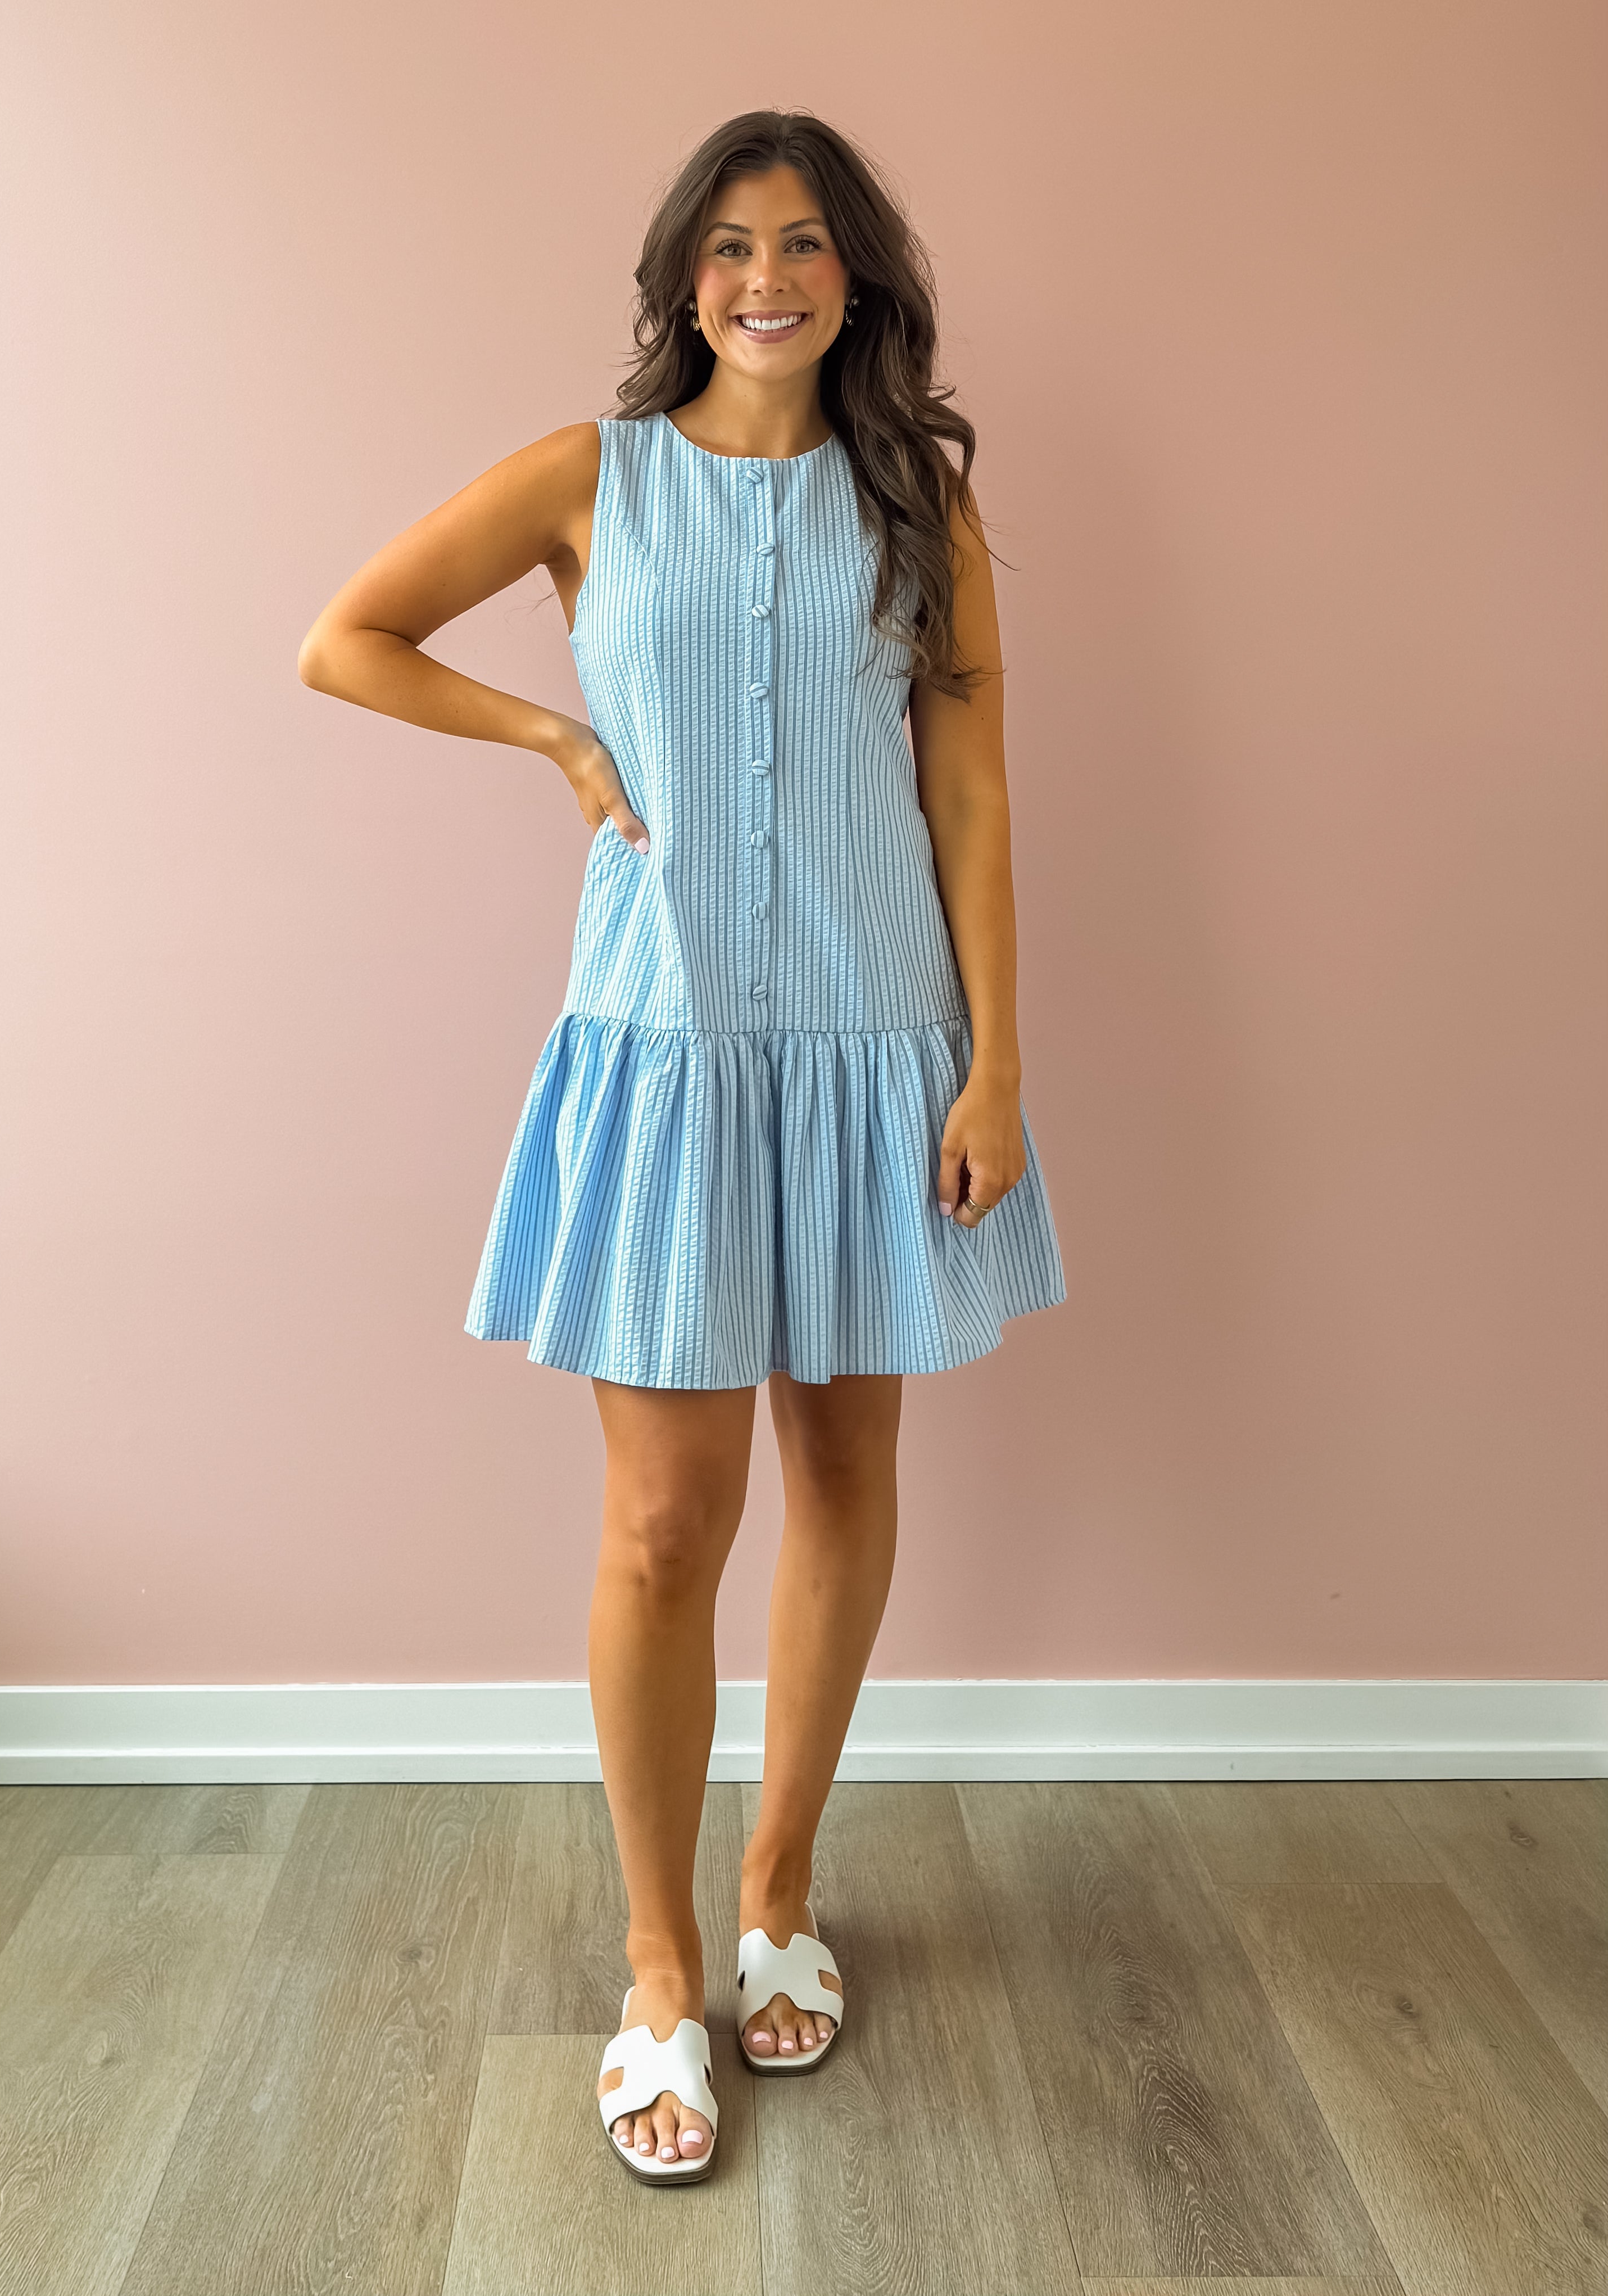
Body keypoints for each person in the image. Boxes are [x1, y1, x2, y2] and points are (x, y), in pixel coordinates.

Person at [297, 107, 1067, 2186]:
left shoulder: (919, 500)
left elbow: (972, 794)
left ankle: (776, 1894)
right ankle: (656, 1967)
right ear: (681, 278)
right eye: (728, 245)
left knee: (847, 1470)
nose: (765, 278)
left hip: (877, 1043)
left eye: (803, 241)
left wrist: (996, 1066)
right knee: (660, 1524)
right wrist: (554, 735)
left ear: (854, 275)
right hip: (664, 1042)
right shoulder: (592, 478)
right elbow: (345, 635)